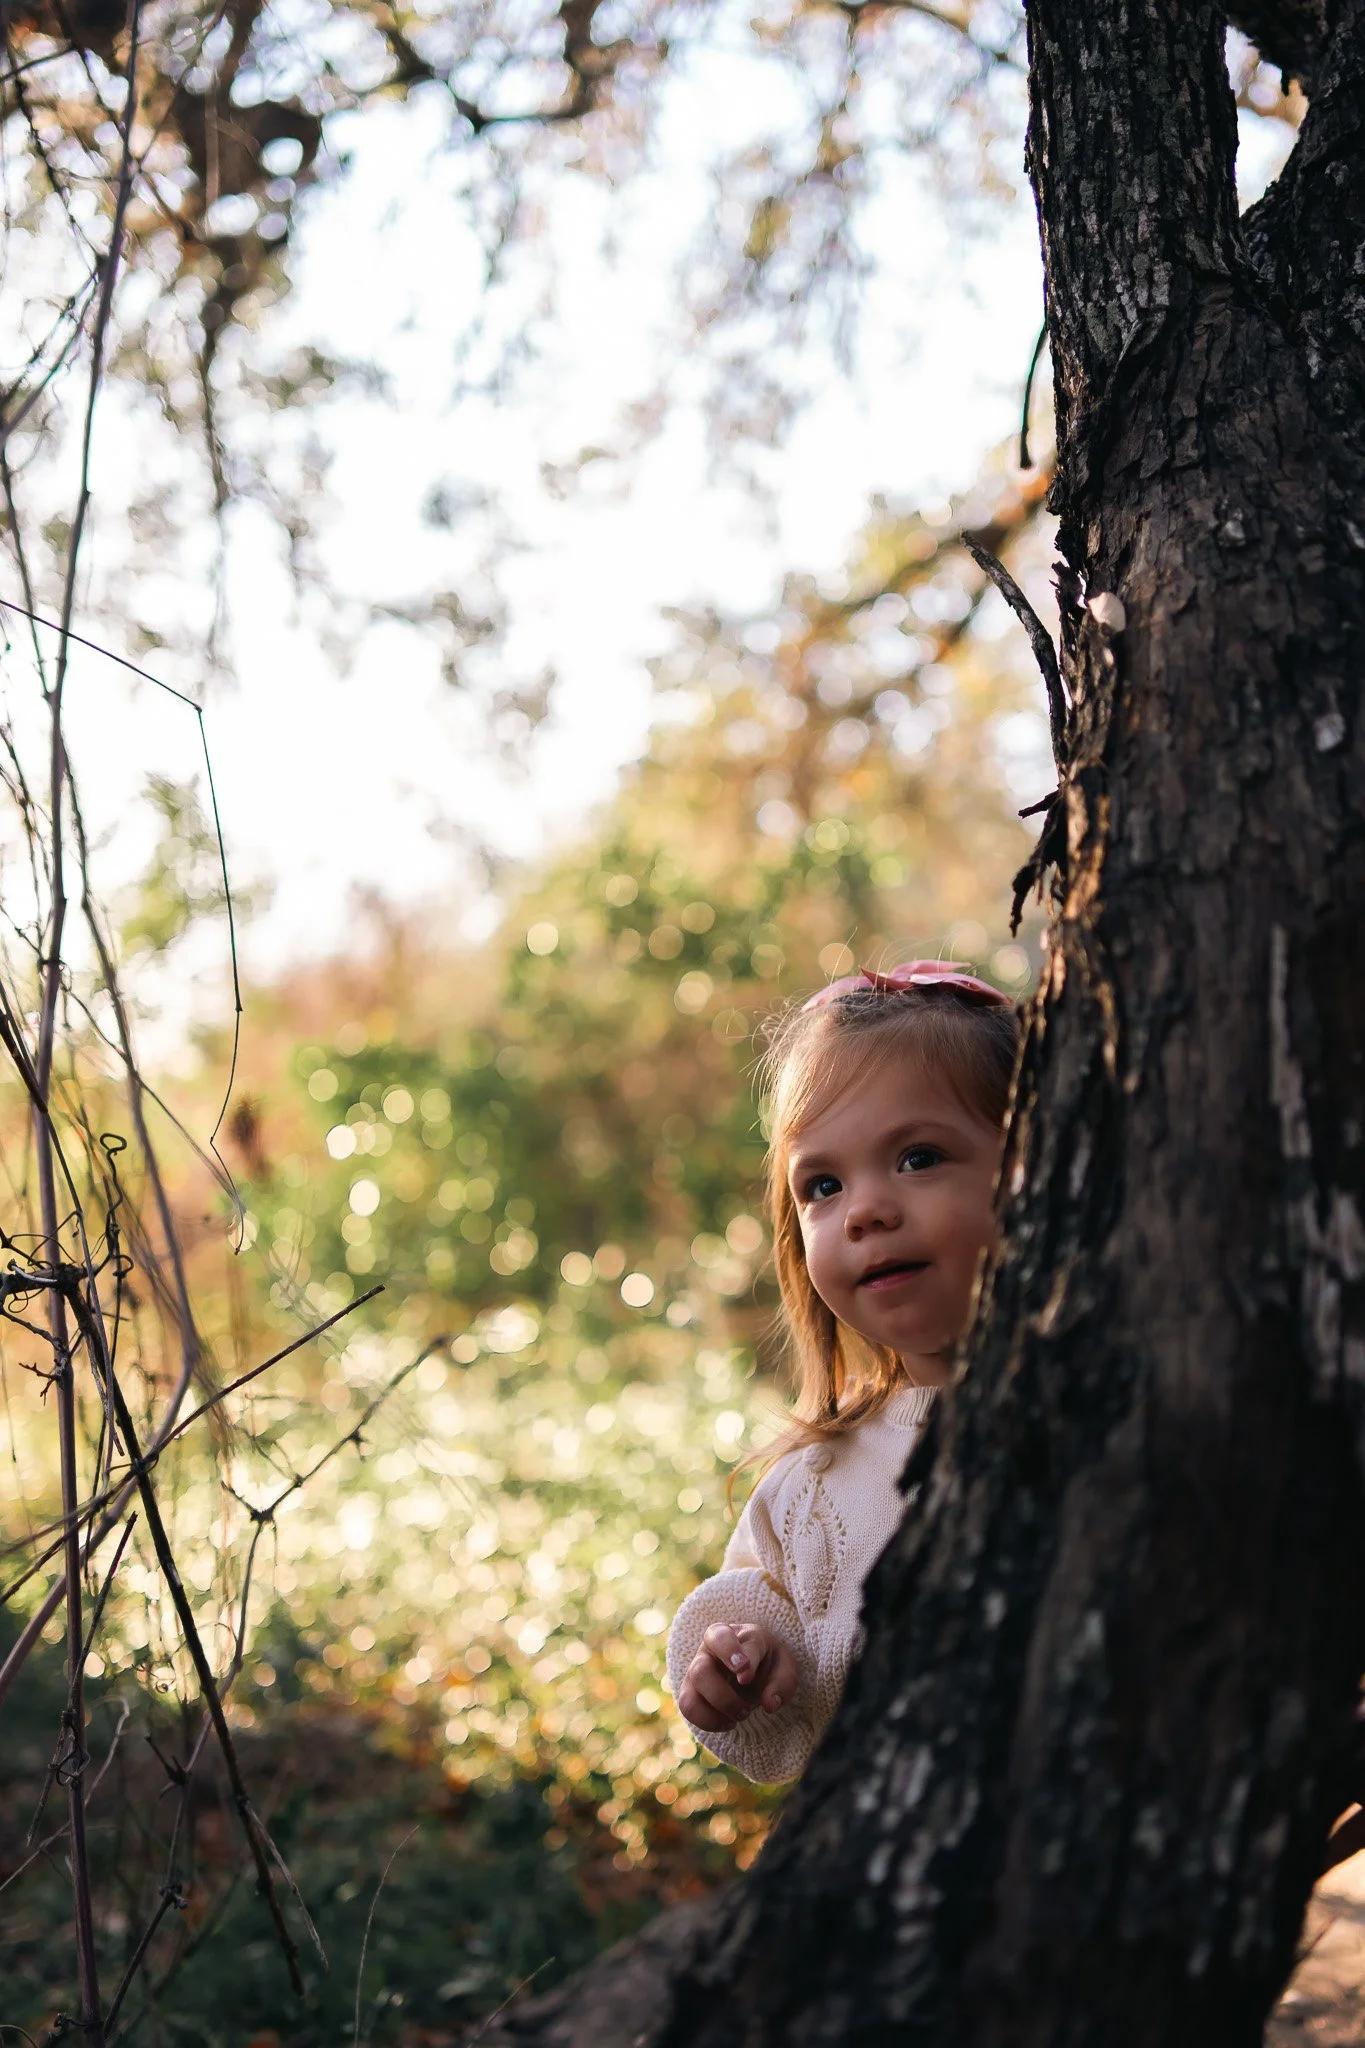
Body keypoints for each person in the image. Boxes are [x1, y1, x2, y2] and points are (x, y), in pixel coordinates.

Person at [665, 959, 1020, 1784]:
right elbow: (757, 1618)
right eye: (822, 1184)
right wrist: (737, 1666)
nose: (864, 1210)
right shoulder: (813, 1480)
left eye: (919, 1157)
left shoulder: (1128, 1409)